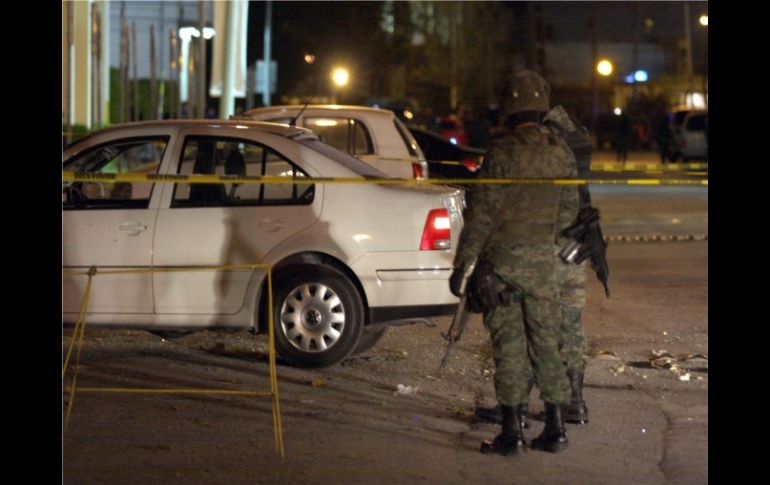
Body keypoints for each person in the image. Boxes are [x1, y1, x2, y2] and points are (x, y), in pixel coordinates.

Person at [450, 70, 575, 455]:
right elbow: (570, 212)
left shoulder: (501, 154)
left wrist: (464, 265)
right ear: (541, 105)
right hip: (544, 266)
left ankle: (512, 433)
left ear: (510, 107)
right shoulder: (560, 151)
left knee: (509, 347)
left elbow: (482, 216)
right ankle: (555, 429)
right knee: (547, 345)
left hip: (501, 267)